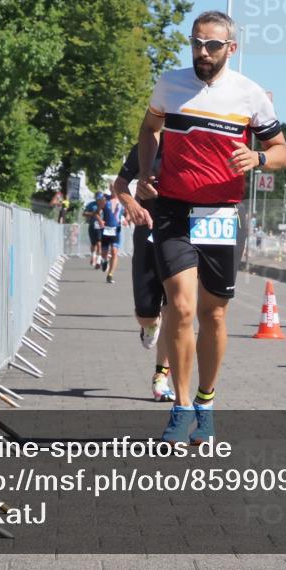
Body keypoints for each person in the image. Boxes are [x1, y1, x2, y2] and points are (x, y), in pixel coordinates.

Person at [136, 10, 286, 444]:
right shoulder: (170, 83)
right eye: (196, 43)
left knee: (214, 314)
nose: (202, 52)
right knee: (181, 308)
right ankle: (181, 407)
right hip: (173, 209)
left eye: (212, 45)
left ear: (231, 49)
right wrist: (147, 172)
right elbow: (149, 129)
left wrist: (259, 158)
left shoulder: (250, 95)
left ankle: (206, 400)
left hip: (220, 214)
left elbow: (282, 152)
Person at [113, 140, 175, 402]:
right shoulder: (149, 145)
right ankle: (150, 323)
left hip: (181, 235)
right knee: (147, 314)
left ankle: (161, 376)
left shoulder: (196, 143)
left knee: (177, 308)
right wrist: (131, 204)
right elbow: (120, 184)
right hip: (148, 231)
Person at [99, 192, 124, 283]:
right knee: (104, 253)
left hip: (116, 230)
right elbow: (97, 213)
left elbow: (127, 213)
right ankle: (104, 261)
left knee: (114, 252)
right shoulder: (105, 201)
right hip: (106, 230)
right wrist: (100, 220)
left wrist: (127, 219)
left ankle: (110, 275)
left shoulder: (122, 201)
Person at [83, 193, 105, 268]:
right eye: (97, 199)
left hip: (101, 226)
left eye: (100, 199)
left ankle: (98, 260)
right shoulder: (91, 204)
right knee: (93, 244)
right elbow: (84, 213)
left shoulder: (104, 205)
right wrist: (93, 214)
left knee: (99, 243)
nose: (98, 200)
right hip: (92, 225)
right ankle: (93, 256)